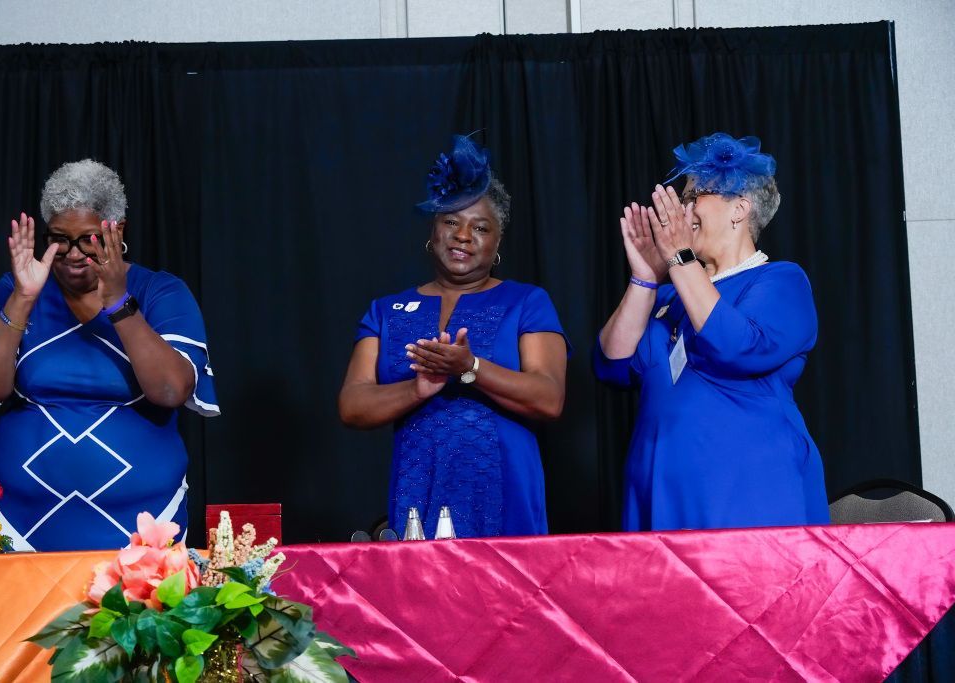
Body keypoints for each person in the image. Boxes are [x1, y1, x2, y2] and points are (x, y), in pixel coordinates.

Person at [0, 159, 218, 551]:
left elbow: (170, 390)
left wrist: (119, 304)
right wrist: (23, 298)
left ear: (118, 231)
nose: (73, 253)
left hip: (142, 529)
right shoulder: (15, 290)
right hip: (18, 525)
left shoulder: (159, 292)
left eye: (89, 239)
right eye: (60, 239)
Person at [594, 132, 828, 531]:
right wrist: (645, 278)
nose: (683, 210)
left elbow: (737, 347)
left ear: (740, 209)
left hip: (747, 487)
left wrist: (679, 257)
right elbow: (613, 365)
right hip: (662, 489)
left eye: (694, 196)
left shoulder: (781, 281)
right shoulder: (671, 295)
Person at [339, 135, 568, 539]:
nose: (463, 235)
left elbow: (549, 398)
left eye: (480, 228)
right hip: (417, 485)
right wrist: (417, 390)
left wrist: (470, 368)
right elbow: (352, 406)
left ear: (497, 242)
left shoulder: (526, 302)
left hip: (505, 490)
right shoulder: (385, 311)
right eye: (451, 222)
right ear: (433, 231)